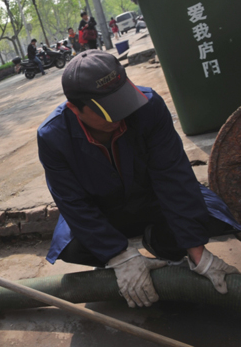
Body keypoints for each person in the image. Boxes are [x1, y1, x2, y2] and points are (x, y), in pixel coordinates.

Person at [37, 50, 241, 309]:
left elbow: (173, 177)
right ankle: (122, 256)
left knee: (211, 218)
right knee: (72, 246)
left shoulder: (149, 106)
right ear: (75, 108)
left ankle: (161, 243)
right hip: (106, 210)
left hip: (152, 199)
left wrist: (199, 254)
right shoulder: (53, 137)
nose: (119, 116)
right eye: (107, 111)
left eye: (122, 102)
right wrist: (119, 256)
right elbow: (73, 204)